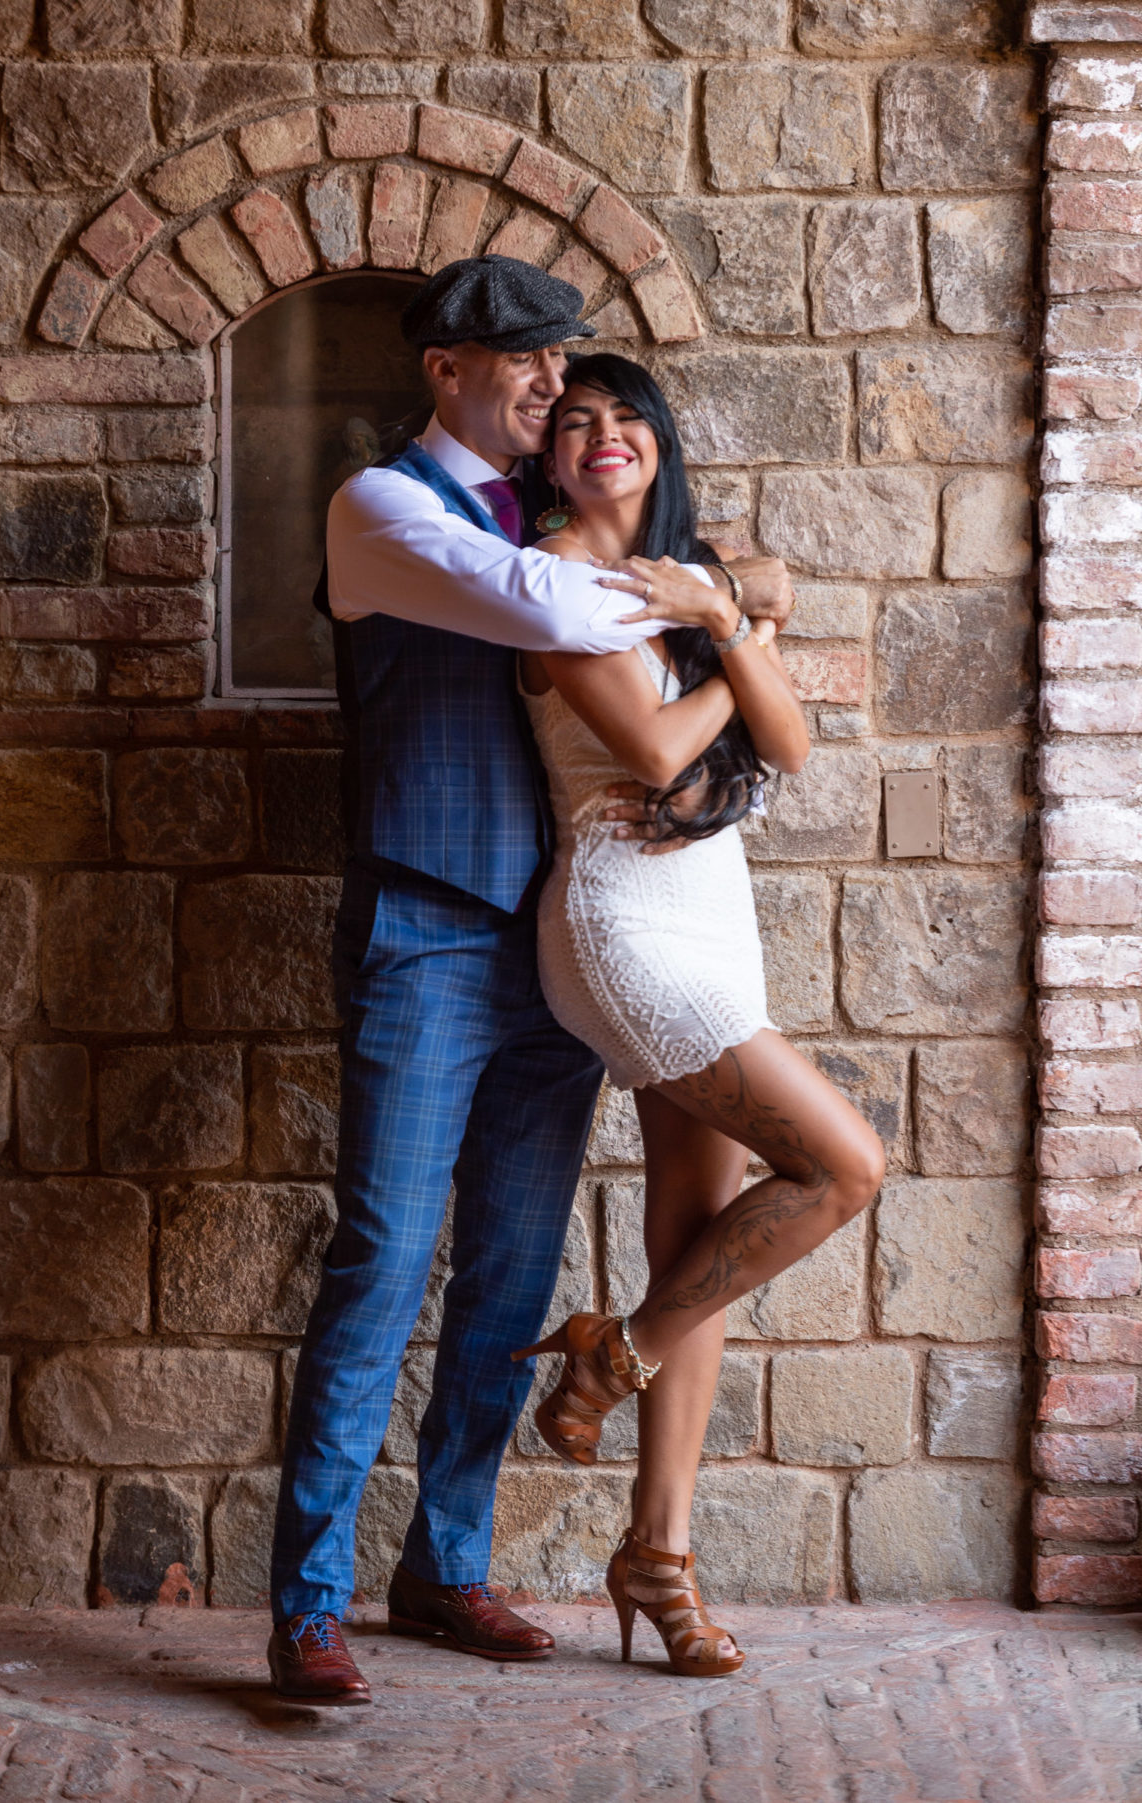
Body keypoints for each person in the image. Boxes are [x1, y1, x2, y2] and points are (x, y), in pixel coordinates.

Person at [267, 256, 794, 1704]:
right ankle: (308, 1603)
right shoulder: (384, 510)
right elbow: (555, 616)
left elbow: (620, 612)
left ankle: (446, 1569)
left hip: (552, 947)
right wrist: (737, 591)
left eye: (564, 362)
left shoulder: (554, 520)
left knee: (509, 1276)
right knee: (381, 1261)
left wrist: (713, 589)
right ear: (446, 369)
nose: (556, 385)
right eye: (527, 362)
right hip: (428, 931)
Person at [511, 353, 886, 1678]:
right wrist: (735, 624)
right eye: (574, 423)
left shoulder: (690, 569)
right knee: (845, 1166)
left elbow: (787, 749)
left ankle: (657, 1561)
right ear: (547, 458)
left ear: (660, 444)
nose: (602, 437)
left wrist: (724, 613)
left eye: (625, 419)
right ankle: (617, 1354)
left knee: (705, 1248)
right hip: (621, 917)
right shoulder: (554, 582)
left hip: (710, 912)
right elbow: (663, 753)